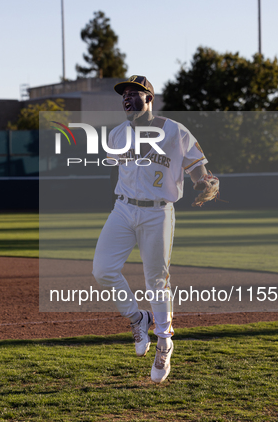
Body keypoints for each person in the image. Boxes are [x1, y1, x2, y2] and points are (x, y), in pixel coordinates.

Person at [92, 75, 217, 384]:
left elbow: (198, 169)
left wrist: (205, 183)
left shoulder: (175, 131)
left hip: (158, 213)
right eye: (124, 94)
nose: (127, 97)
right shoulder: (118, 134)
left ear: (150, 99)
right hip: (123, 208)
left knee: (156, 281)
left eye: (135, 93)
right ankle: (138, 317)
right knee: (102, 270)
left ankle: (164, 342)